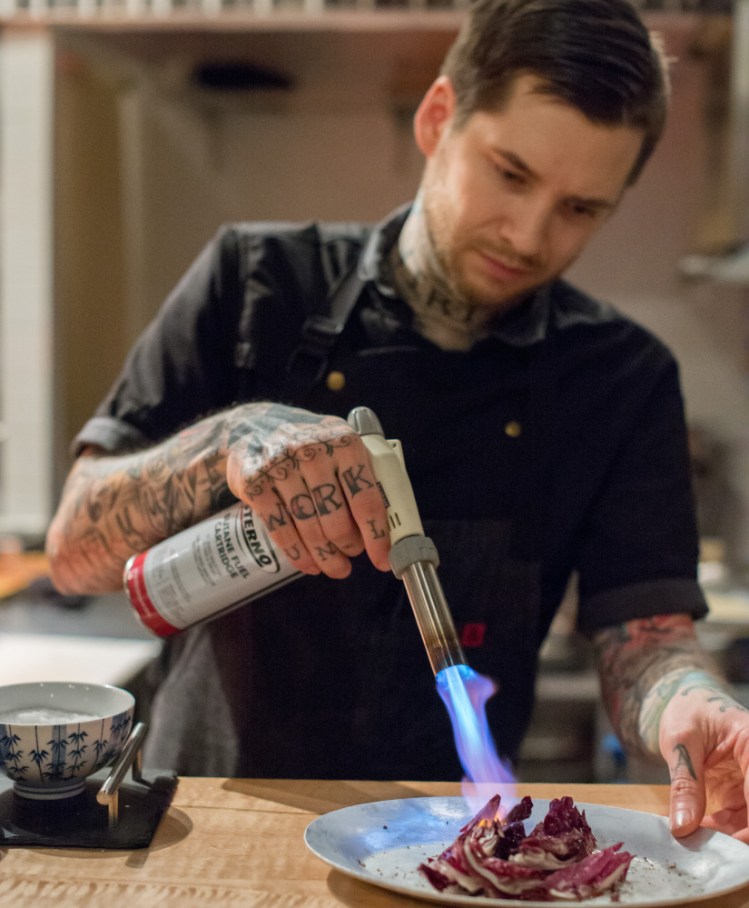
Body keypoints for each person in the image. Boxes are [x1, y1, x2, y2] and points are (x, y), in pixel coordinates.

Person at [46, 0, 749, 842]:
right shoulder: (252, 282)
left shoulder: (618, 377)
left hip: (440, 846)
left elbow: (646, 638)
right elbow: (76, 553)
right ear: (438, 116)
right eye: (510, 174)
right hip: (206, 827)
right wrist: (225, 444)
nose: (528, 236)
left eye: (580, 209)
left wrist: (694, 704)